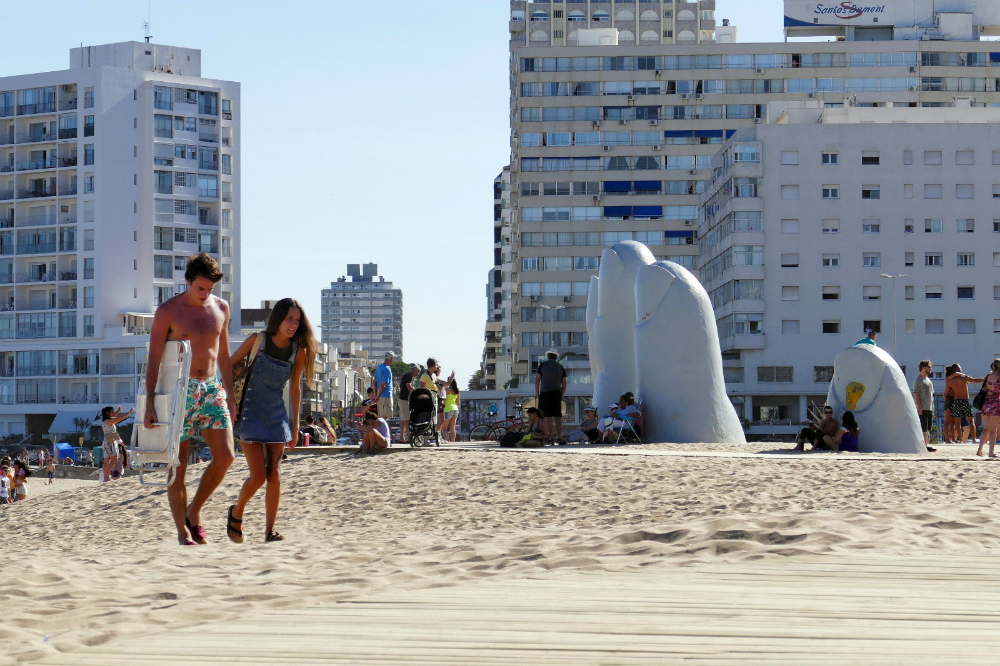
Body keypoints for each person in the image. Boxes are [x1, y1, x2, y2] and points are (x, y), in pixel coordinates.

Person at [145, 253, 237, 546]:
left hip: (210, 388)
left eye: (210, 288)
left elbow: (223, 354)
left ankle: (193, 511)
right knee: (179, 464)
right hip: (177, 390)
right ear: (188, 281)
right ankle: (182, 532)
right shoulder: (168, 311)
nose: (205, 293)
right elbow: (154, 358)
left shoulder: (221, 308)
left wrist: (231, 396)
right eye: (200, 288)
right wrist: (149, 401)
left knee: (226, 456)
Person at [228, 298, 315, 544]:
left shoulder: (299, 351)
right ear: (278, 318)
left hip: (276, 416)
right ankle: (236, 512)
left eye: (297, 321)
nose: (293, 324)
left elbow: (295, 390)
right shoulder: (257, 341)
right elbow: (228, 365)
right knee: (257, 476)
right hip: (249, 414)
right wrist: (231, 402)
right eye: (289, 319)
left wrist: (295, 426)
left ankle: (269, 531)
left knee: (274, 474)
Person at [945, 363, 986, 451]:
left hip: (956, 401)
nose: (961, 370)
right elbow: (976, 380)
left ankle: (960, 440)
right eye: (960, 368)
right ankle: (974, 439)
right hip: (965, 400)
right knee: (971, 421)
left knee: (957, 422)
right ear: (957, 370)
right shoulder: (964, 378)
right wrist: (985, 379)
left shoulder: (950, 381)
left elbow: (946, 392)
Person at [535, 349, 567, 441]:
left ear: (548, 356)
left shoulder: (542, 366)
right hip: (557, 393)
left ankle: (551, 436)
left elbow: (537, 382)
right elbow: (564, 384)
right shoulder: (560, 367)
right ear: (556, 357)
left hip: (545, 393)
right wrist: (561, 395)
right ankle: (560, 436)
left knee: (547, 416)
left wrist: (538, 395)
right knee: (558, 416)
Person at [100, 406, 133, 483]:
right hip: (111, 442)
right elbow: (119, 419)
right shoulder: (109, 421)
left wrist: (118, 411)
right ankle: (107, 476)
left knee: (106, 460)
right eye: (112, 412)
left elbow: (114, 416)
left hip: (105, 441)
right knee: (114, 459)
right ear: (107, 413)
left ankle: (105, 478)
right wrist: (130, 413)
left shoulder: (104, 421)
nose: (113, 413)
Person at [912, 360, 937, 453]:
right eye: (929, 367)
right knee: (923, 427)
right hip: (923, 407)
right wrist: (919, 407)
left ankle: (926, 445)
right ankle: (924, 446)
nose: (930, 369)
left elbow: (932, 396)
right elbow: (916, 394)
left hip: (929, 407)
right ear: (923, 367)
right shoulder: (918, 380)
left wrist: (932, 409)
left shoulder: (928, 380)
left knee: (927, 428)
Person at [977, 359, 1000, 458]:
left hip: (986, 404)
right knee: (993, 430)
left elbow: (985, 389)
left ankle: (980, 450)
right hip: (996, 404)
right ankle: (991, 452)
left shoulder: (988, 377)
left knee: (986, 429)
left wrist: (990, 390)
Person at [398, 365, 419, 442]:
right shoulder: (408, 377)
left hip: (402, 399)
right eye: (417, 372)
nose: (417, 374)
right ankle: (409, 437)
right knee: (407, 419)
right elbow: (409, 387)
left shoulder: (407, 376)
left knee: (403, 420)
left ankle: (402, 438)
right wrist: (417, 391)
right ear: (413, 370)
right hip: (404, 400)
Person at [373, 351, 395, 421]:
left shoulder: (379, 367)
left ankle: (380, 431)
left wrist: (375, 395)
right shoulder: (387, 369)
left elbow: (374, 382)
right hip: (386, 396)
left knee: (381, 418)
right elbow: (383, 385)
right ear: (391, 358)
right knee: (384, 418)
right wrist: (377, 396)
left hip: (379, 397)